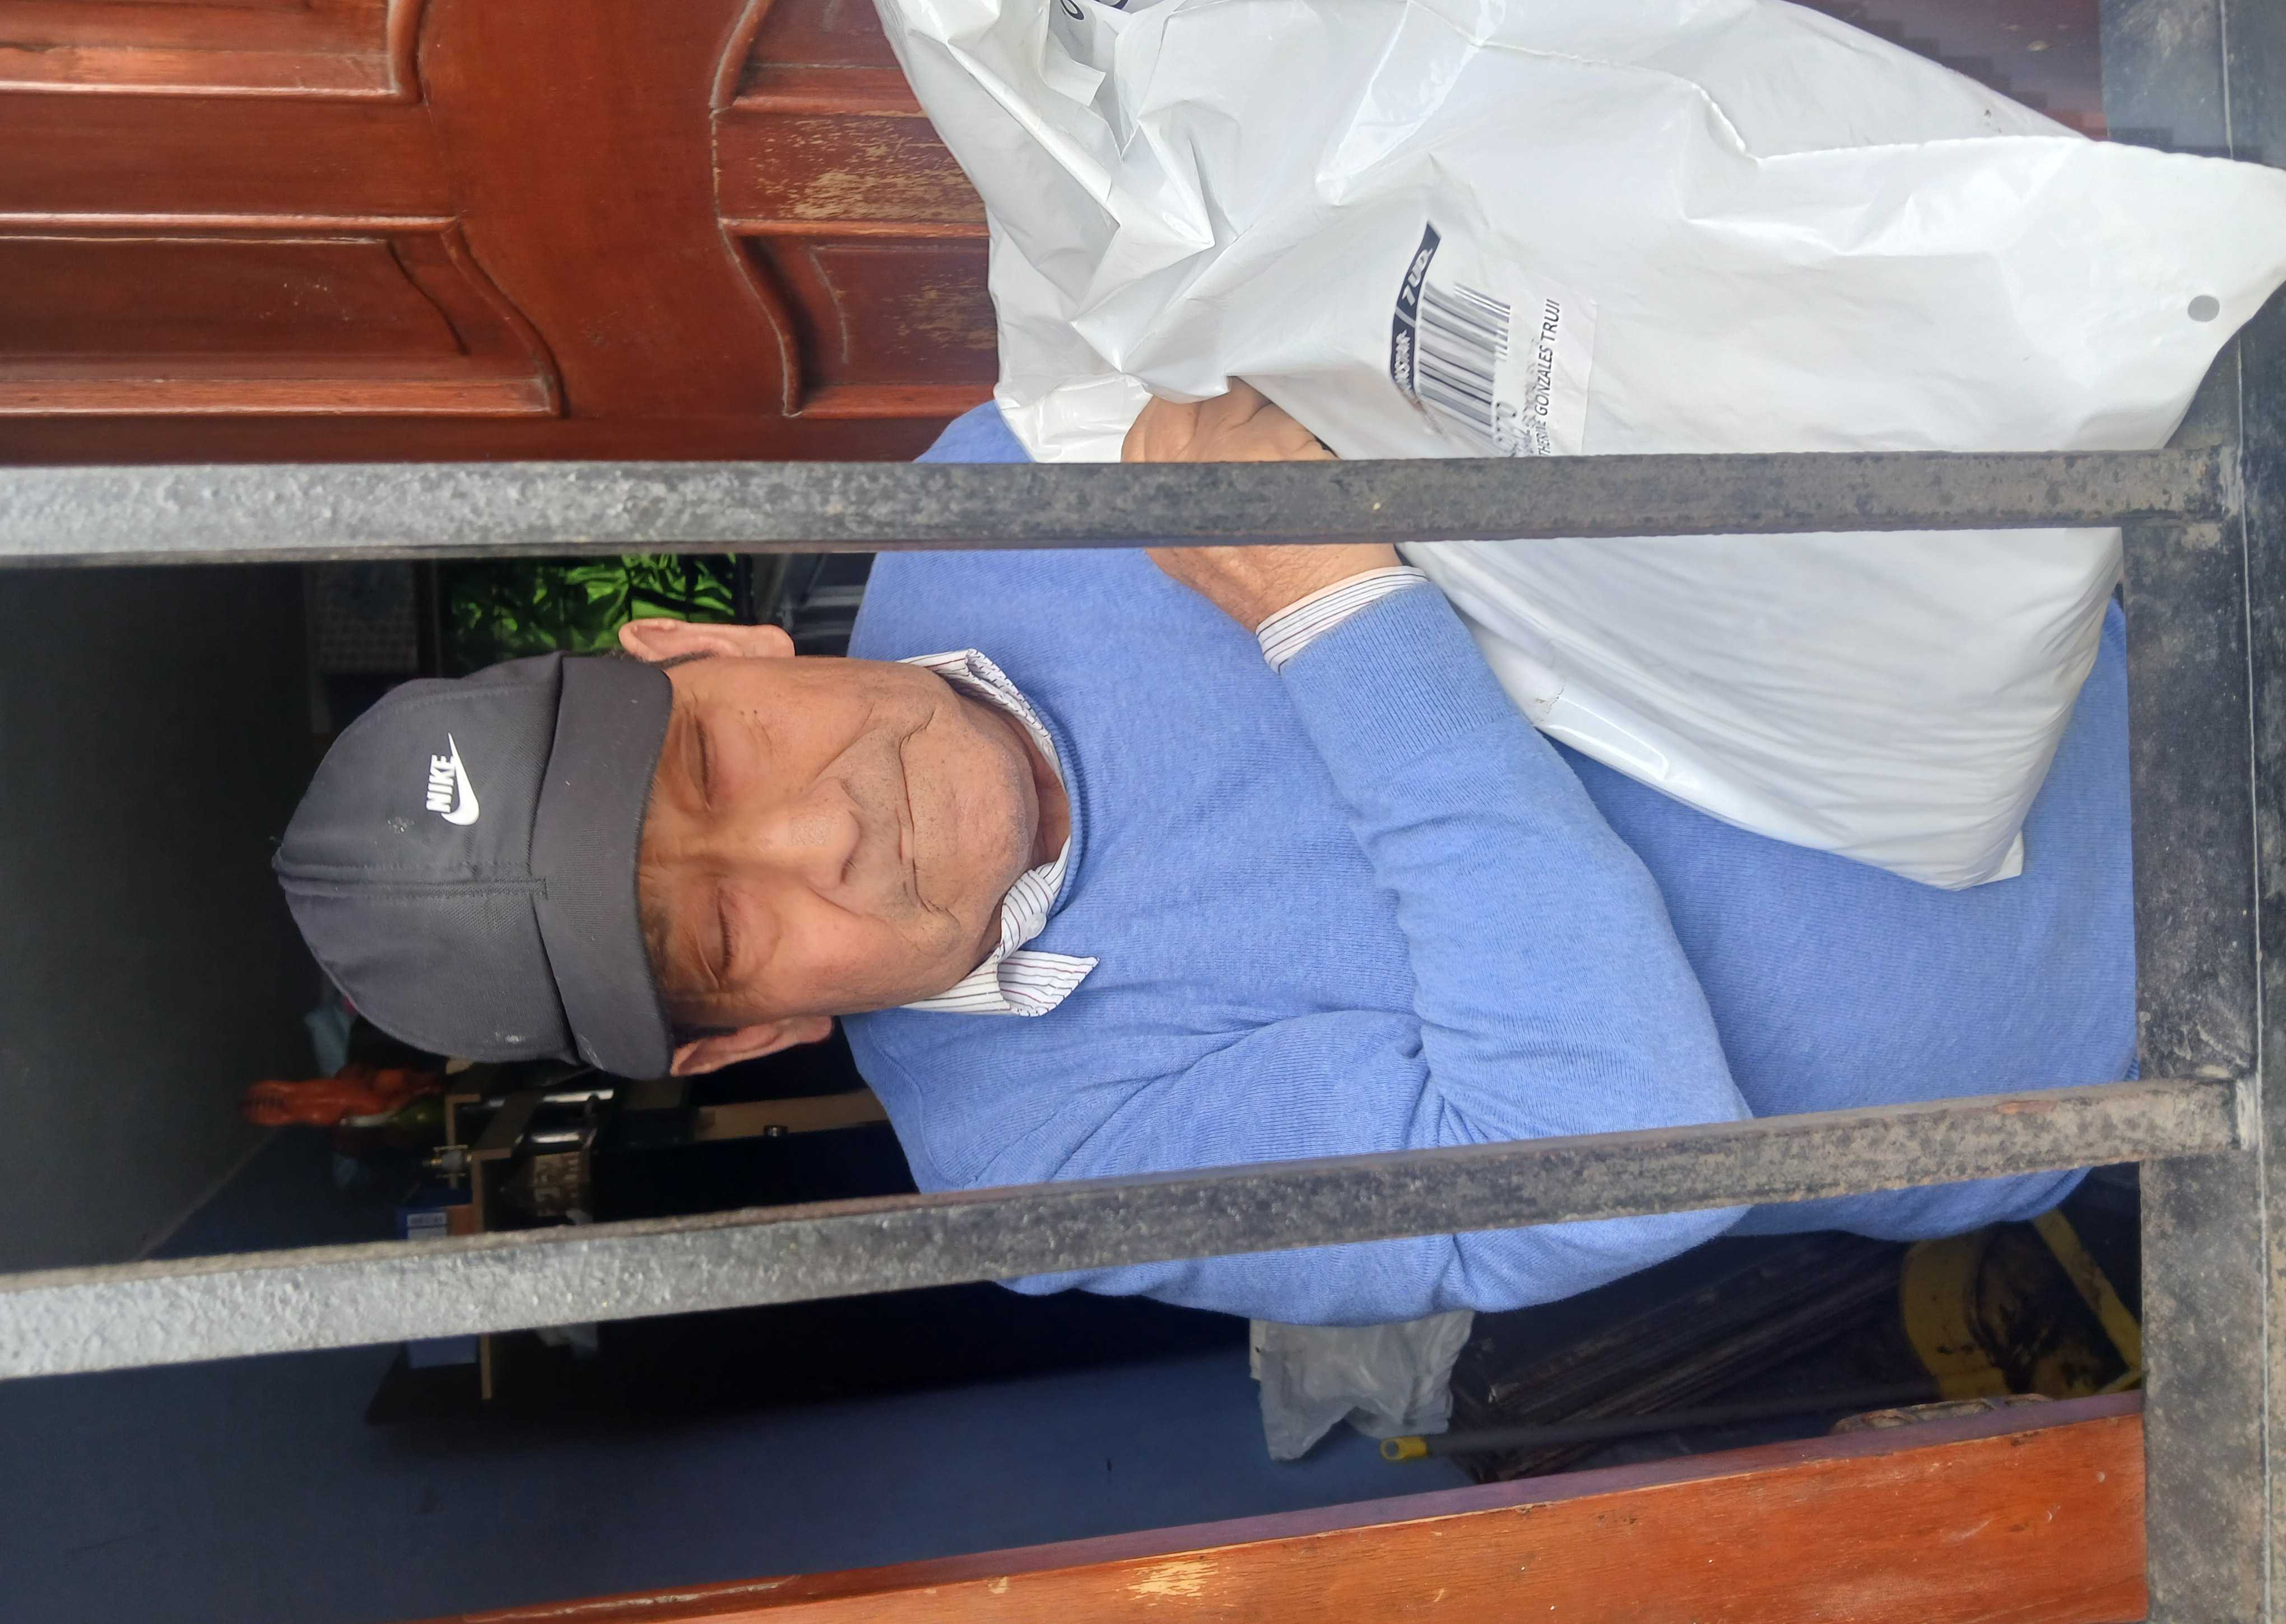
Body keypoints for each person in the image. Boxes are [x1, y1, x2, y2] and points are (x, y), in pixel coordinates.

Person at [274, 386, 2135, 1326]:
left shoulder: (1009, 464)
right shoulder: (1039, 1169)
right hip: (2162, 1010)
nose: (817, 830)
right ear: (749, 1040)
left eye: (711, 759)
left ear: (712, 643)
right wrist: (1334, 611)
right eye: (730, 934)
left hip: (2104, 564)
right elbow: (1612, 1161)